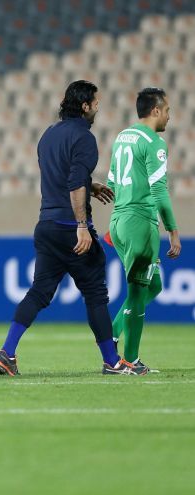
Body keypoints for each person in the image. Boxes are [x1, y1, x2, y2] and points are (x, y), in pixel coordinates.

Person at [0, 80, 125, 376]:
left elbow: (60, 176)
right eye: (96, 103)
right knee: (96, 293)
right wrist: (81, 225)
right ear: (85, 106)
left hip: (47, 225)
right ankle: (112, 361)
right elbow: (73, 181)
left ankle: (7, 352)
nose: (98, 108)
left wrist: (90, 185)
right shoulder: (85, 138)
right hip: (71, 227)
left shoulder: (48, 135)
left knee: (39, 292)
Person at [106, 87, 181, 375]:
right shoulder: (154, 143)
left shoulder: (122, 137)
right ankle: (130, 360)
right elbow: (159, 191)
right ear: (156, 110)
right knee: (138, 292)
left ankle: (112, 335)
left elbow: (111, 184)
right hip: (139, 223)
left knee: (154, 285)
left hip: (120, 220)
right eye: (168, 111)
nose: (169, 116)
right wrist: (173, 230)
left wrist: (118, 222)